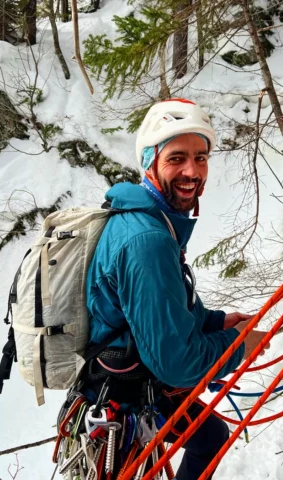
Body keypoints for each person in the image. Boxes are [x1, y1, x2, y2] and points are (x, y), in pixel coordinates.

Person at [86, 98, 268, 479]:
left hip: (129, 377)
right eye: (177, 158)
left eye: (201, 158)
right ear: (151, 161)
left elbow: (168, 302)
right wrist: (238, 345)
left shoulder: (148, 219)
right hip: (126, 396)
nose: (192, 171)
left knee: (209, 436)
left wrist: (215, 323)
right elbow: (177, 363)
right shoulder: (147, 240)